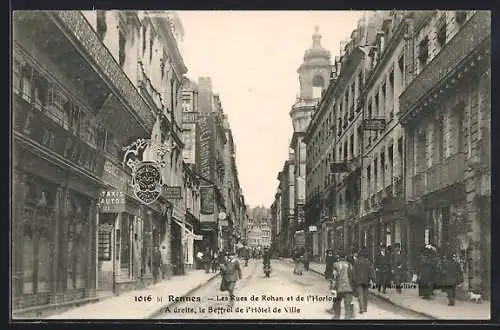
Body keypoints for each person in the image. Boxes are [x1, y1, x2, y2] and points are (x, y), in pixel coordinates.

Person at [330, 251, 355, 320]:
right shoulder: (349, 265)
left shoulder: (335, 265)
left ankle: (337, 316)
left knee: (337, 303)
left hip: (338, 288)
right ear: (345, 257)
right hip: (348, 287)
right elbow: (352, 276)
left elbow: (334, 277)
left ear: (338, 257)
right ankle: (347, 317)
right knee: (347, 304)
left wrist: (332, 288)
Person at [353, 249, 375, 314]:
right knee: (365, 295)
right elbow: (372, 272)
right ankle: (365, 308)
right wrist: (373, 280)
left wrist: (354, 280)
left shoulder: (356, 262)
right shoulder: (368, 263)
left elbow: (353, 272)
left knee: (360, 295)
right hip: (366, 281)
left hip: (358, 281)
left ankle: (361, 308)